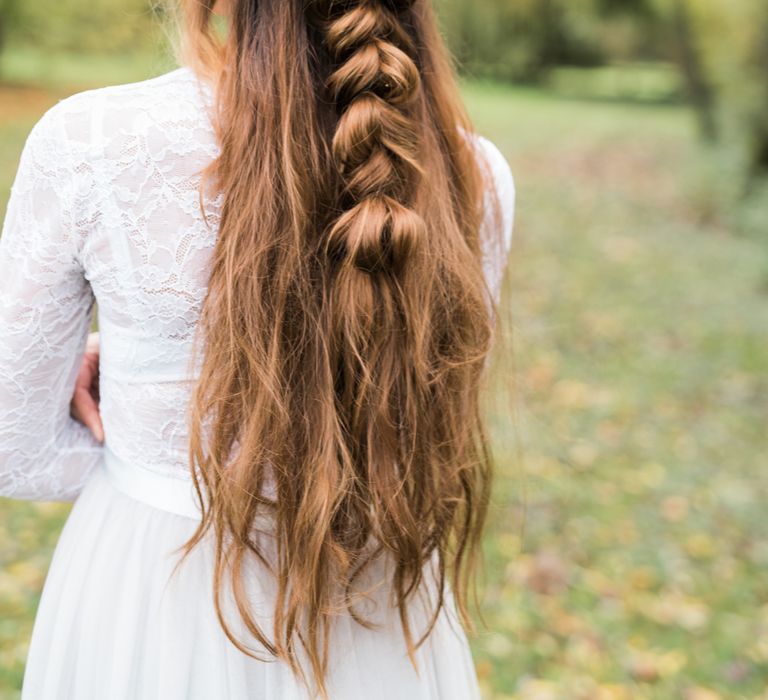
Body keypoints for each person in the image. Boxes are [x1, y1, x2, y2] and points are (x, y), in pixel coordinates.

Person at [0, 0, 515, 697]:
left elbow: (15, 449)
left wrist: (140, 413)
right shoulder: (473, 173)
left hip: (158, 593)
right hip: (382, 614)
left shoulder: (91, 142)